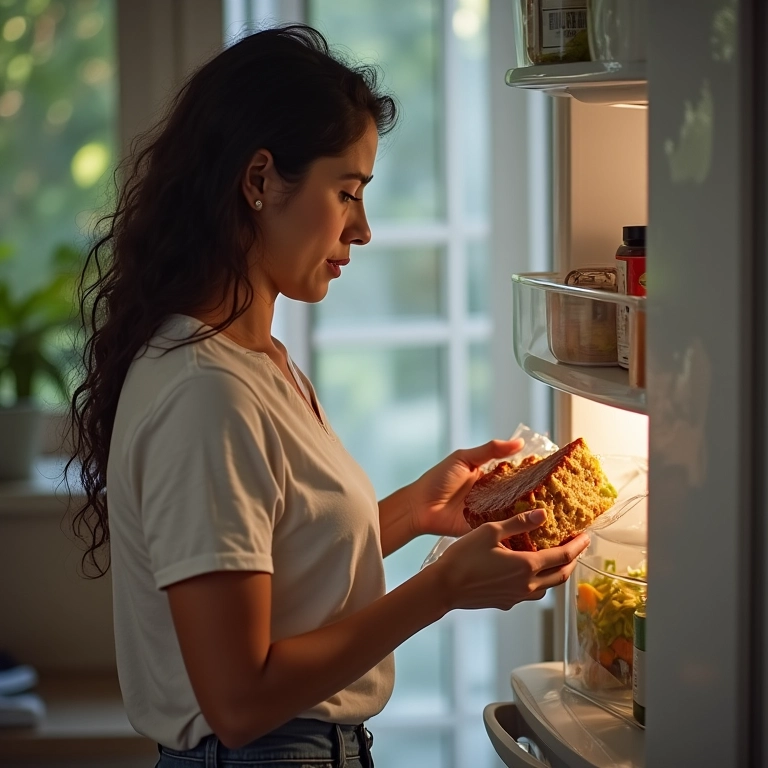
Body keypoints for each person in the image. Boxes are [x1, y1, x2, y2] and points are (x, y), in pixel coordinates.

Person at [65, 23, 589, 768]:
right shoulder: (206, 393)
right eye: (346, 193)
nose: (364, 229)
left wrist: (414, 512)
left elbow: (278, 570)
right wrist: (439, 590)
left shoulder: (256, 363)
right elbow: (240, 701)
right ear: (257, 182)